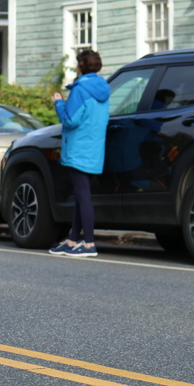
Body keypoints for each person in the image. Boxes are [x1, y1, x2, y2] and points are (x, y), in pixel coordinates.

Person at [49, 49, 110, 258]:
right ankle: (72, 240)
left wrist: (59, 102)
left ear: (81, 66)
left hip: (78, 149)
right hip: (94, 148)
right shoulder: (103, 88)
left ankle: (89, 244)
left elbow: (70, 120)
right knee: (81, 195)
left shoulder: (80, 90)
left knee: (83, 198)